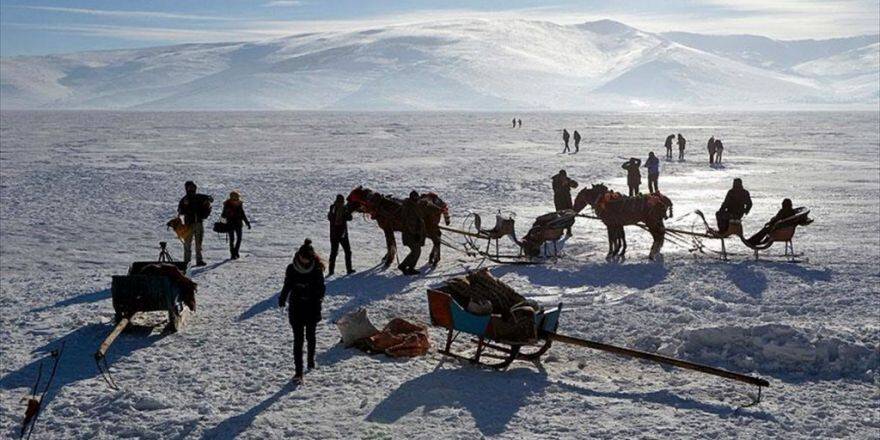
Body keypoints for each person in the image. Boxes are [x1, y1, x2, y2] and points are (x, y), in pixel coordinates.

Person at [278, 239, 325, 382]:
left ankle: (310, 359)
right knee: (298, 340)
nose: (305, 261)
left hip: (311, 307)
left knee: (310, 336)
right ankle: (298, 372)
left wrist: (315, 296)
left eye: (307, 259)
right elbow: (287, 285)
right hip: (296, 307)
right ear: (298, 256)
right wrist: (282, 298)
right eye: (303, 258)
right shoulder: (291, 268)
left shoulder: (316, 269)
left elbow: (321, 288)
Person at [177, 181, 213, 266]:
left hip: (199, 223)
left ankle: (199, 261)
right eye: (190, 188)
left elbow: (211, 198)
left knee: (198, 244)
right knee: (187, 244)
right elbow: (180, 211)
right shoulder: (184, 199)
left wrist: (209, 200)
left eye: (193, 187)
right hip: (188, 224)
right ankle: (187, 262)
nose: (192, 189)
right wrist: (185, 206)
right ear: (186, 189)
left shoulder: (200, 196)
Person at [398, 191, 425, 275]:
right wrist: (415, 233)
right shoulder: (409, 208)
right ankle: (404, 266)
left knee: (416, 251)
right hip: (410, 234)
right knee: (416, 251)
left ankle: (409, 267)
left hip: (414, 234)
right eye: (416, 198)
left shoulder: (414, 206)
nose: (417, 200)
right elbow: (410, 222)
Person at [327, 194, 354, 276]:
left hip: (334, 234)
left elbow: (330, 218)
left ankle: (331, 271)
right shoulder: (343, 208)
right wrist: (346, 212)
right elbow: (350, 218)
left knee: (334, 253)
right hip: (342, 234)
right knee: (347, 252)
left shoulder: (332, 208)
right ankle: (349, 270)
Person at [221, 190, 251, 260]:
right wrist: (223, 224)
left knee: (238, 239)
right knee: (232, 239)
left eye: (237, 196)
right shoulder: (227, 204)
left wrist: (247, 223)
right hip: (231, 224)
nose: (237, 198)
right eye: (236, 196)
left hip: (237, 224)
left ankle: (235, 252)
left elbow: (243, 214)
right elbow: (223, 215)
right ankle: (233, 253)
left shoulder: (239, 204)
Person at [551, 170, 578, 236]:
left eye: (564, 176)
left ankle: (569, 230)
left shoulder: (567, 179)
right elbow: (556, 190)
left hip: (567, 199)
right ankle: (560, 231)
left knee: (569, 214)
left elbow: (575, 185)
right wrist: (562, 185)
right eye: (562, 177)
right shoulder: (555, 180)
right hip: (559, 200)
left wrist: (571, 183)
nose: (563, 178)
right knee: (560, 215)